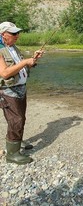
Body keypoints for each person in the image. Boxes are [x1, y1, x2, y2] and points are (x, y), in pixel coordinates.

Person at [0, 21, 44, 165]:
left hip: (20, 89)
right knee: (16, 120)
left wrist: (33, 59)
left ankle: (17, 141)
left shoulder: (13, 48)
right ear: (3, 34)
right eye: (13, 33)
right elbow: (5, 73)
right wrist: (25, 62)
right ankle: (12, 154)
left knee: (21, 118)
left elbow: (20, 67)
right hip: (8, 91)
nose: (17, 35)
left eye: (17, 32)